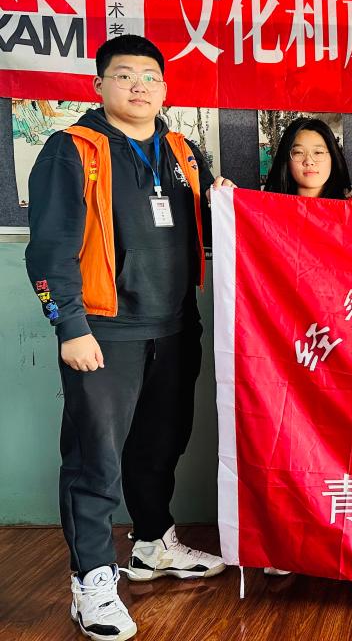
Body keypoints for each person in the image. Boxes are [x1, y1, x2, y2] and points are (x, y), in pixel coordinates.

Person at [25, 34, 234, 641]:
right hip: (104, 331)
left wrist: (223, 200)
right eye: (124, 75)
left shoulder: (182, 151)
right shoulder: (72, 149)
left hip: (176, 325)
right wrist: (69, 325)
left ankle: (151, 543)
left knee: (160, 444)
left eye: (150, 76)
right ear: (99, 85)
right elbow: (48, 249)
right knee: (95, 459)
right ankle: (90, 579)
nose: (139, 85)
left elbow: (212, 221)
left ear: (165, 88)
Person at [263, 117, 352, 200]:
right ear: (286, 159)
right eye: (299, 152)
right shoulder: (264, 209)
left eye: (318, 152)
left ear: (333, 157)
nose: (309, 161)